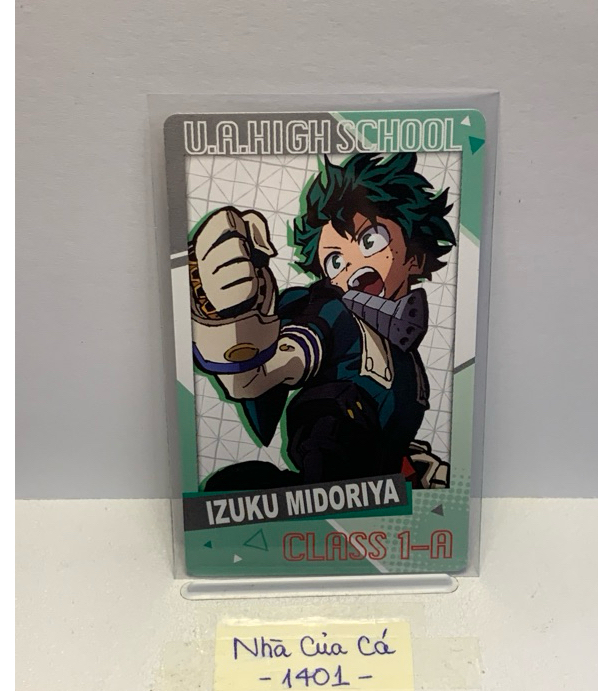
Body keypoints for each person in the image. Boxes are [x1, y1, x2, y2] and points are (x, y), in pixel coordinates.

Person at [189, 152, 455, 490]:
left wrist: (412, 468)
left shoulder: (408, 359)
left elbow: (386, 433)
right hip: (323, 489)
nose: (352, 265)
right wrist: (233, 320)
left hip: (372, 500)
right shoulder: (333, 310)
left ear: (415, 257)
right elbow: (277, 362)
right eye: (335, 261)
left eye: (370, 241)